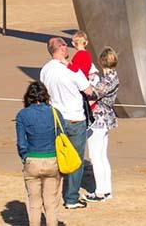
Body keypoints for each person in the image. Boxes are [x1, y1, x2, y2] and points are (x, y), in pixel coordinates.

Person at [40, 36, 94, 210]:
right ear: (62, 48)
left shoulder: (45, 70)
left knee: (57, 157)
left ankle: (51, 196)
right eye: (65, 45)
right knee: (75, 160)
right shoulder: (72, 70)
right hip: (74, 119)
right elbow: (88, 90)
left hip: (55, 118)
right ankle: (71, 198)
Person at [15, 81, 60, 226]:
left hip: (32, 160)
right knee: (51, 204)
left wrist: (25, 156)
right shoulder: (54, 112)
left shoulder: (22, 115)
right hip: (52, 160)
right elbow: (62, 134)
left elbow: (21, 142)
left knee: (34, 204)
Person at [84, 47, 120, 203]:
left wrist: (86, 82)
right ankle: (107, 190)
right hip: (106, 118)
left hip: (98, 120)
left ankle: (100, 192)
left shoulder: (106, 80)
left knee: (95, 157)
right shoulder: (113, 76)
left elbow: (92, 94)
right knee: (103, 156)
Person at [68, 31, 98, 120]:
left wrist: (67, 64)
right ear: (86, 43)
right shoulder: (88, 54)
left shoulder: (77, 56)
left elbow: (75, 70)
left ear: (73, 44)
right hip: (86, 81)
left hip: (79, 83)